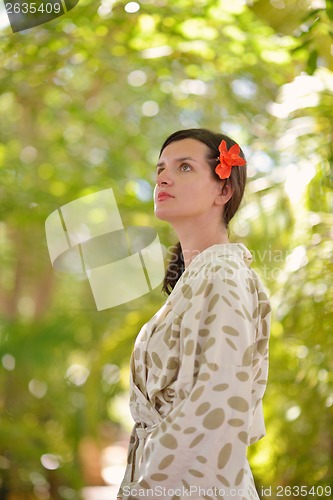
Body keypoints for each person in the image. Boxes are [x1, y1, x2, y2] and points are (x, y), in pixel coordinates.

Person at [117, 128, 271, 500]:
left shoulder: (223, 276)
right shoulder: (199, 279)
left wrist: (148, 491)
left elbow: (215, 410)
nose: (163, 178)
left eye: (184, 167)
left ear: (224, 191)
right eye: (160, 169)